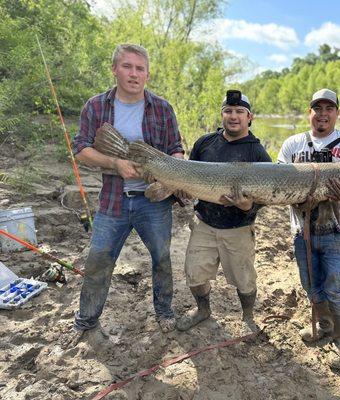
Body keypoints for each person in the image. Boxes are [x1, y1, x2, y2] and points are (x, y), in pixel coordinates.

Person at [66, 44, 184, 345]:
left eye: (140, 68)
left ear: (147, 73)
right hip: (113, 200)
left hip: (154, 201)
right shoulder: (96, 106)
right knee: (98, 261)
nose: (134, 74)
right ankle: (86, 321)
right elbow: (81, 148)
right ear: (115, 69)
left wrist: (178, 167)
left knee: (162, 258)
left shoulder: (162, 107)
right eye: (127, 67)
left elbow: (176, 148)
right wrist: (115, 164)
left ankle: (164, 312)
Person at [277, 88, 340, 369]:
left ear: (337, 113)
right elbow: (278, 179)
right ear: (310, 113)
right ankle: (324, 325)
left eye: (329, 108)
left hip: (338, 232)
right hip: (302, 231)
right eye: (317, 108)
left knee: (336, 286)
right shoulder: (293, 144)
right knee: (310, 283)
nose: (323, 114)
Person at [176, 90, 271, 333]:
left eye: (240, 112)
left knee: (244, 280)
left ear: (250, 117)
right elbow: (188, 176)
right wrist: (184, 190)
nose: (233, 116)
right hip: (204, 223)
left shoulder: (258, 153)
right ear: (222, 115)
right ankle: (203, 310)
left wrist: (248, 205)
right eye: (228, 111)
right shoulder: (205, 143)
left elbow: (268, 194)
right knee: (194, 273)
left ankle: (248, 316)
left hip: (238, 228)